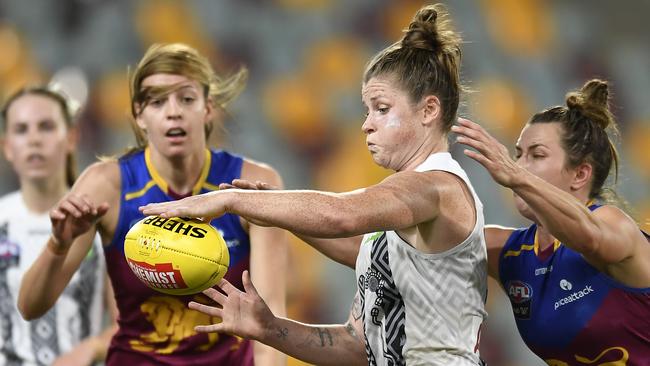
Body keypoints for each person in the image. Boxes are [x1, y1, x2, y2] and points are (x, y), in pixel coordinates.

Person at [142, 4, 488, 365]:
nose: (366, 125)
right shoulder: (398, 228)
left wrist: (233, 200)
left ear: (429, 111)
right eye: (366, 110)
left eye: (381, 109)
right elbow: (357, 345)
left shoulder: (437, 186)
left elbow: (343, 216)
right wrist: (269, 328)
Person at [16, 44, 289, 365]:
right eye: (158, 101)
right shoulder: (106, 186)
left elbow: (270, 327)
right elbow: (29, 306)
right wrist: (57, 244)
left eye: (186, 99)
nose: (173, 111)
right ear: (139, 115)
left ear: (208, 108)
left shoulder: (250, 185)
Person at [451, 79, 650, 363]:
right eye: (518, 155)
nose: (518, 165)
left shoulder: (613, 224)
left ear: (580, 175)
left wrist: (517, 177)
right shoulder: (510, 252)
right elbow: (413, 245)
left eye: (537, 155)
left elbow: (590, 238)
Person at [0, 86, 117, 366]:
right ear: (7, 147)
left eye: (46, 126)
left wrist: (93, 347)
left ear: (71, 138)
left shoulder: (98, 219)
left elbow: (127, 324)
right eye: (21, 129)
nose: (34, 139)